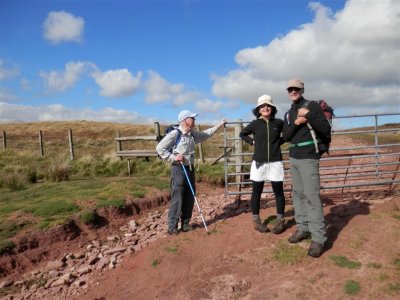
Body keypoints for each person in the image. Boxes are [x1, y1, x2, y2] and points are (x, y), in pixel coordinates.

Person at [282, 79, 331, 258]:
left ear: (302, 90)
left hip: (309, 156)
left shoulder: (312, 106)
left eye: (296, 89)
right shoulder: (288, 113)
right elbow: (286, 136)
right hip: (293, 156)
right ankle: (303, 228)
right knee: (298, 194)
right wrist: (296, 122)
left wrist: (308, 116)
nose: (293, 91)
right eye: (290, 89)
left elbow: (325, 129)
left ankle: (318, 237)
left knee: (312, 196)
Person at [156, 110, 226, 235]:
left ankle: (185, 224)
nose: (194, 120)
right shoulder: (175, 134)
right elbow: (160, 148)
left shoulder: (193, 134)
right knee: (177, 198)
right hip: (178, 169)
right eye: (192, 118)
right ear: (184, 120)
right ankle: (172, 227)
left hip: (190, 169)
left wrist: (219, 125)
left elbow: (206, 134)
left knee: (190, 196)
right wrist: (174, 157)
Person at [239, 95, 286, 234]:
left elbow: (288, 134)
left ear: (272, 108)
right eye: (262, 106)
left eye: (268, 106)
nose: (265, 108)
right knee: (256, 192)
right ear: (258, 109)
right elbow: (243, 134)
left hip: (275, 162)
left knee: (278, 192)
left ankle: (280, 220)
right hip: (258, 162)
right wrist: (252, 142)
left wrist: (279, 142)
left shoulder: (279, 123)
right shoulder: (254, 124)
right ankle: (256, 220)